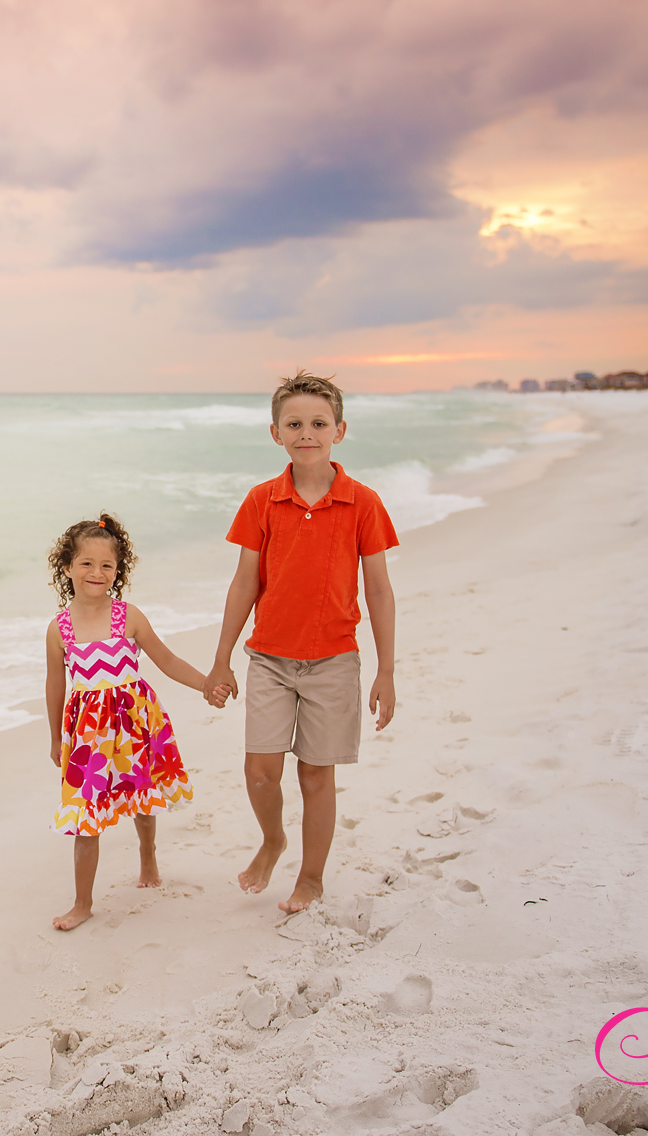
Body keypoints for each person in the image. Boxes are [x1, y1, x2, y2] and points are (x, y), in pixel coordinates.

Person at [204, 370, 399, 915]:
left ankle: (310, 878)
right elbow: (245, 582)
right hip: (268, 658)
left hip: (335, 661)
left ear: (339, 430)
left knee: (317, 774)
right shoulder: (262, 501)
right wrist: (221, 660)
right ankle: (273, 840)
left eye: (318, 422)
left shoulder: (363, 503)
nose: (306, 432)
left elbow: (379, 589)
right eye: (294, 423)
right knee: (260, 771)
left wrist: (386, 670)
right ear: (275, 433)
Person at [44, 513, 229, 931]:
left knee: (141, 799)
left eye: (107, 565)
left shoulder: (128, 616)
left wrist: (205, 685)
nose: (96, 572)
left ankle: (148, 855)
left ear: (118, 571)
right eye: (86, 563)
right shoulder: (59, 628)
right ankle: (83, 903)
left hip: (133, 727)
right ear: (68, 566)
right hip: (88, 740)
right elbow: (55, 685)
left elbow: (166, 660)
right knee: (82, 817)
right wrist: (56, 737)